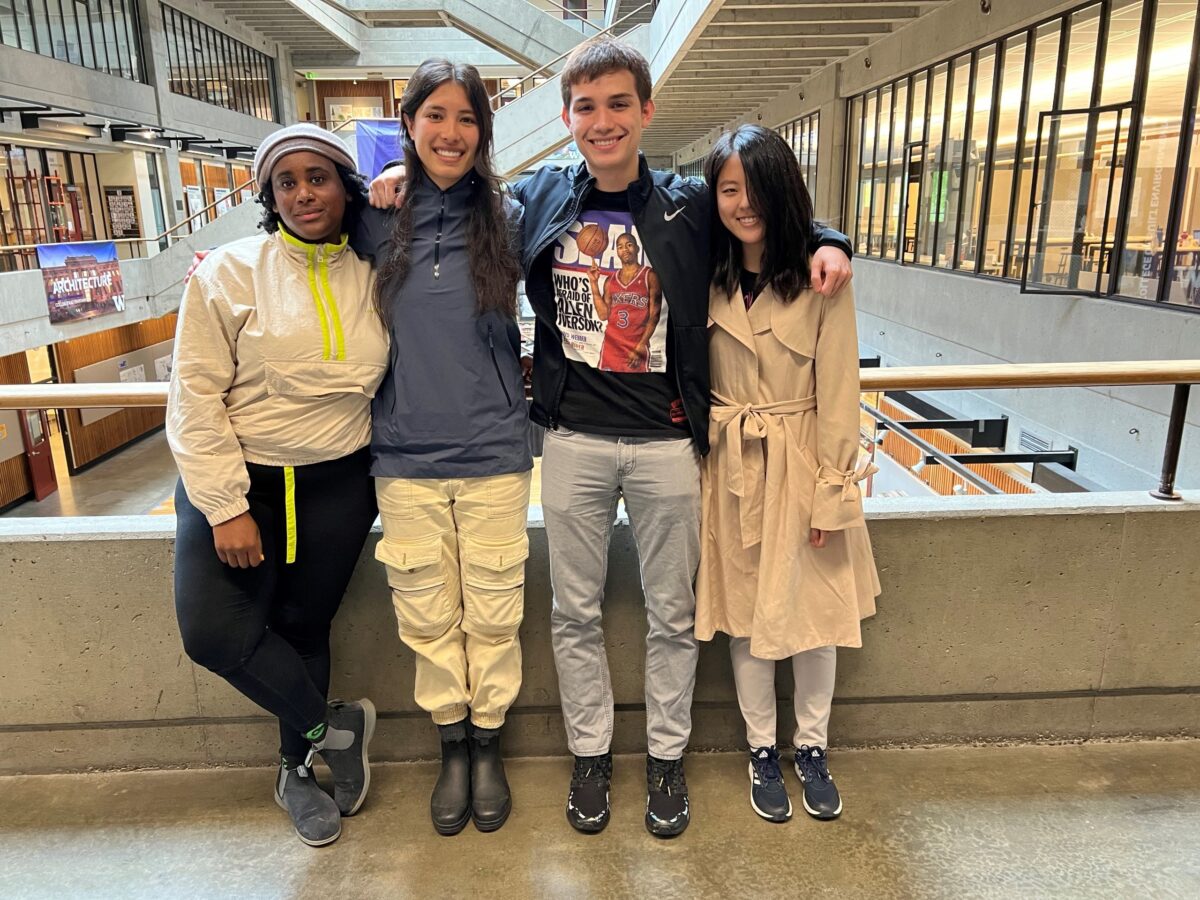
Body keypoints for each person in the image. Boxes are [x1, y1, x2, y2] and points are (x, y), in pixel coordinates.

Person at [371, 36, 854, 838]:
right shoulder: (536, 199)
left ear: (645, 112)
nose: (602, 122)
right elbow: (452, 196)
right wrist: (394, 177)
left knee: (672, 614)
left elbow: (762, 207)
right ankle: (589, 756)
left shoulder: (687, 203)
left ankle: (665, 760)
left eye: (618, 105)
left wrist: (832, 239)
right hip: (569, 440)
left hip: (668, 443)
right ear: (566, 118)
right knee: (574, 612)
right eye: (586, 107)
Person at [168, 123, 388, 847]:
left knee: (304, 628)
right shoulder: (227, 271)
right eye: (285, 182)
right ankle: (335, 730)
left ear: (345, 187)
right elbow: (193, 396)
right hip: (243, 484)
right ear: (267, 196)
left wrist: (403, 187)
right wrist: (226, 506)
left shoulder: (373, 271)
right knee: (215, 635)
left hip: (337, 483)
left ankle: (295, 770)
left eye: (317, 177)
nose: (302, 193)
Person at [351, 59, 530, 836]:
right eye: (435, 117)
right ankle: (450, 744)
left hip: (493, 451)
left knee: (494, 611)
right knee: (425, 615)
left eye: (466, 118)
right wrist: (383, 177)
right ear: (410, 124)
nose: (450, 133)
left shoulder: (512, 213)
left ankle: (487, 743)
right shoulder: (372, 217)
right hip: (403, 455)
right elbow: (285, 216)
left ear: (483, 132)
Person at [695, 125, 880, 824]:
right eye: (729, 188)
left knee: (814, 618)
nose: (743, 204)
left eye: (756, 188)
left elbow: (839, 389)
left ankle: (812, 746)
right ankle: (761, 749)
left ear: (783, 190)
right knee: (745, 617)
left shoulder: (820, 275)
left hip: (802, 460)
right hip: (729, 464)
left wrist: (833, 490)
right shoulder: (704, 268)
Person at [586, 231, 662, 372]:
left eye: (629, 245)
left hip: (636, 348)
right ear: (617, 252)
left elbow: (654, 316)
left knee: (638, 387)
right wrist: (594, 283)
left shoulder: (650, 276)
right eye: (620, 247)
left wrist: (641, 346)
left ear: (637, 248)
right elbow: (603, 315)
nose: (625, 249)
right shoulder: (610, 281)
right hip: (611, 349)